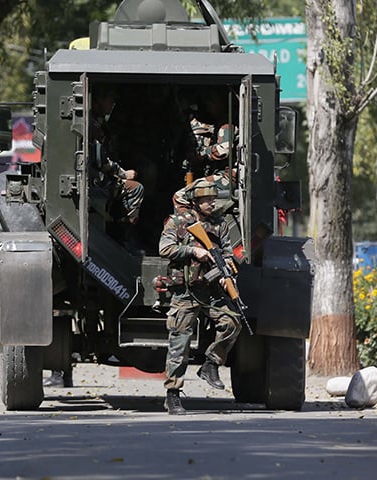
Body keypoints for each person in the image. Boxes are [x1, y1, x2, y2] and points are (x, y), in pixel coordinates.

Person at [158, 179, 243, 415]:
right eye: (207, 200)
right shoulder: (178, 222)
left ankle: (211, 364)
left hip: (211, 289)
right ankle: (173, 395)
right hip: (185, 291)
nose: (212, 203)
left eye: (213, 199)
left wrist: (227, 274)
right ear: (195, 202)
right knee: (180, 342)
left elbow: (227, 253)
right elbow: (164, 248)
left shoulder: (220, 224)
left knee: (232, 322)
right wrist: (193, 251)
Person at [89, 87, 145, 249]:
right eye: (109, 99)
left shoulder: (99, 122)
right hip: (97, 181)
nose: (112, 103)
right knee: (136, 189)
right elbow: (101, 160)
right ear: (98, 101)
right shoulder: (93, 125)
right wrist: (124, 174)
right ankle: (122, 236)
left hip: (100, 177)